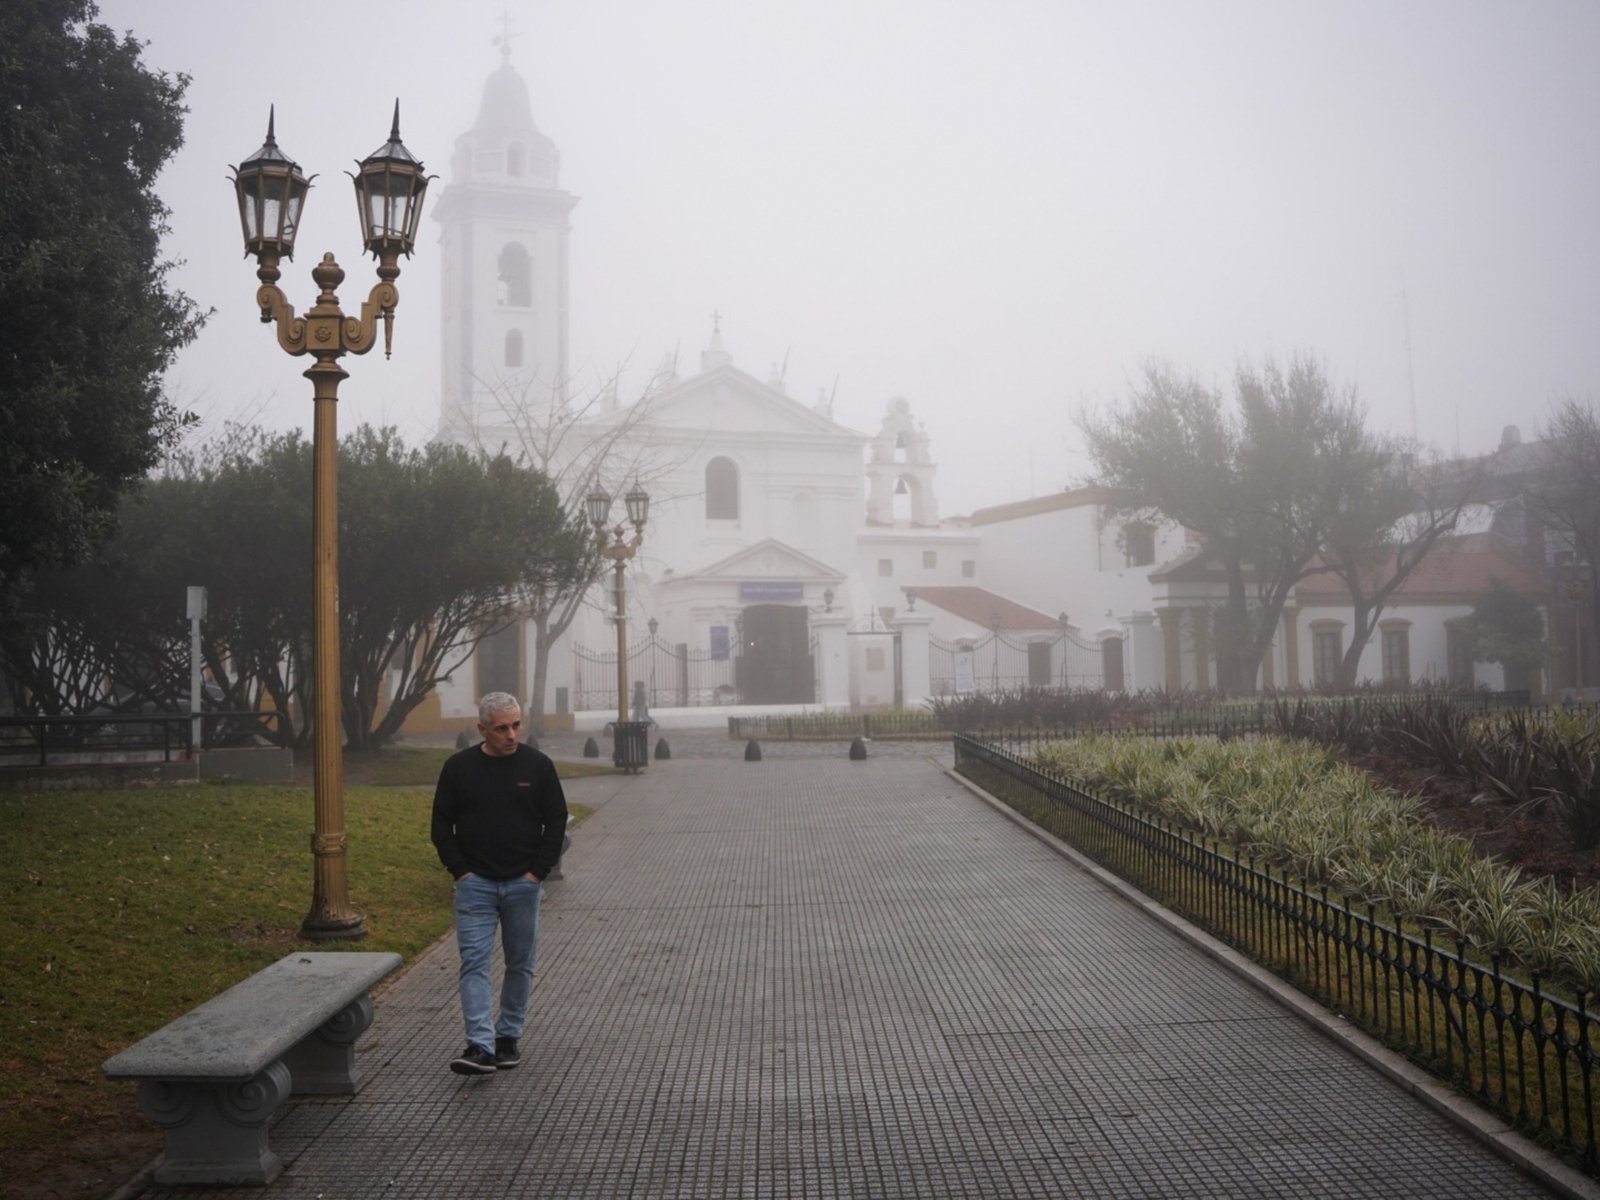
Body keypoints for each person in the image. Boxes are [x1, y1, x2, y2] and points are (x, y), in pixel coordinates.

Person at [430, 692, 568, 1076]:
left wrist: (537, 872)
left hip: (523, 884)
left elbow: (556, 819)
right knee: (473, 963)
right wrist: (459, 870)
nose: (511, 734)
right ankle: (479, 1045)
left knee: (520, 964)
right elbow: (441, 824)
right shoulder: (458, 768)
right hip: (475, 884)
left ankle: (507, 1039)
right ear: (482, 729)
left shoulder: (538, 766)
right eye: (502, 727)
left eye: (516, 725)